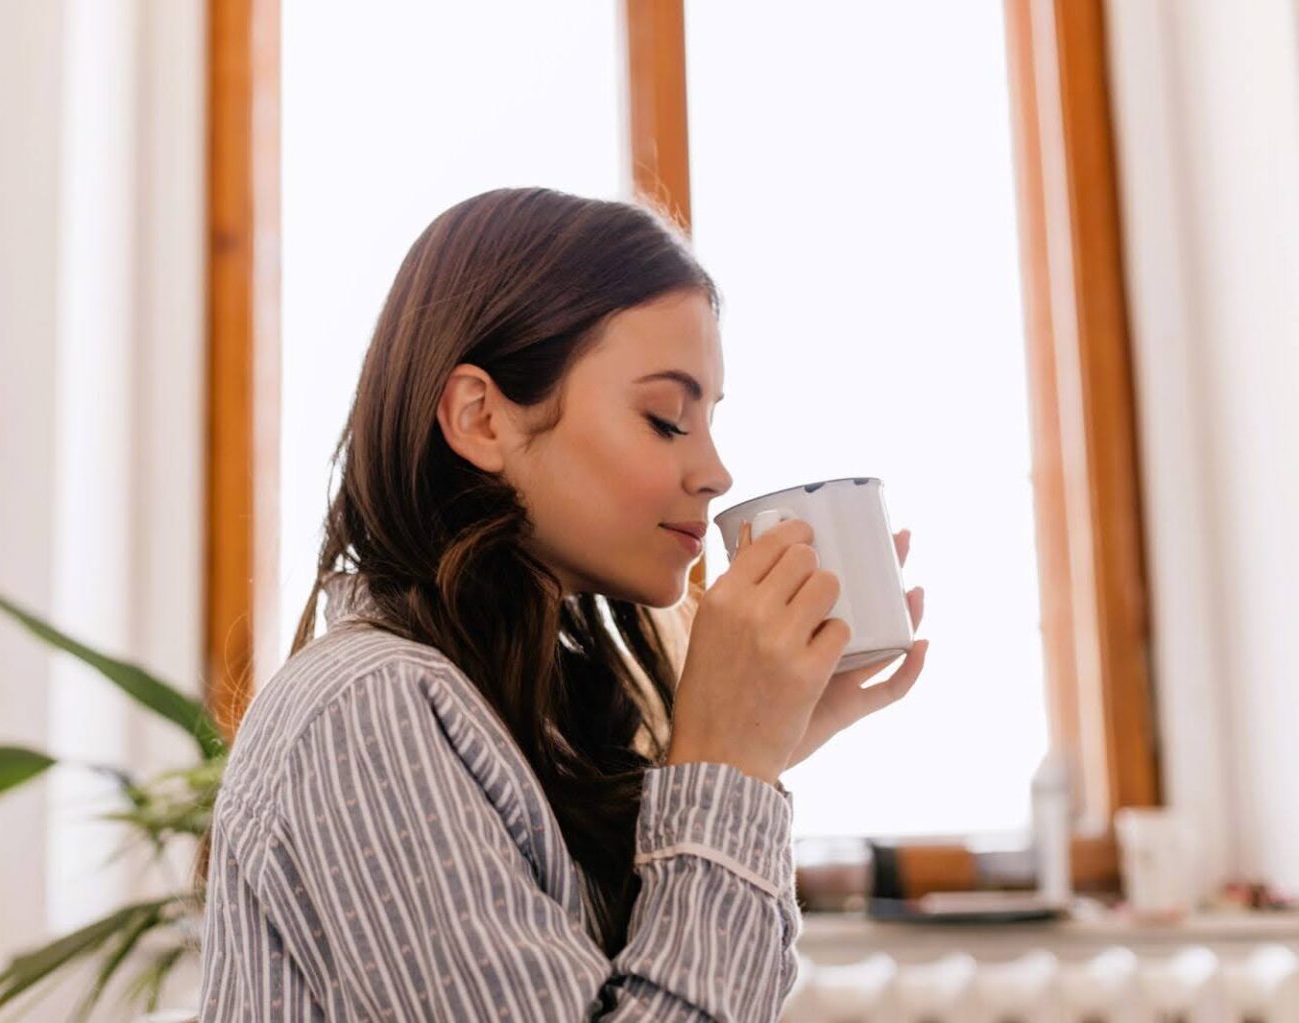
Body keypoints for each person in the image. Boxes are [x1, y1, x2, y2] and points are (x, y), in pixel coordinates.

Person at [198, 186, 929, 1021]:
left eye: (710, 420)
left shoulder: (522, 712)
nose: (717, 471)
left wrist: (759, 750)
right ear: (480, 417)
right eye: (665, 418)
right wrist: (725, 773)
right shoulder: (370, 706)